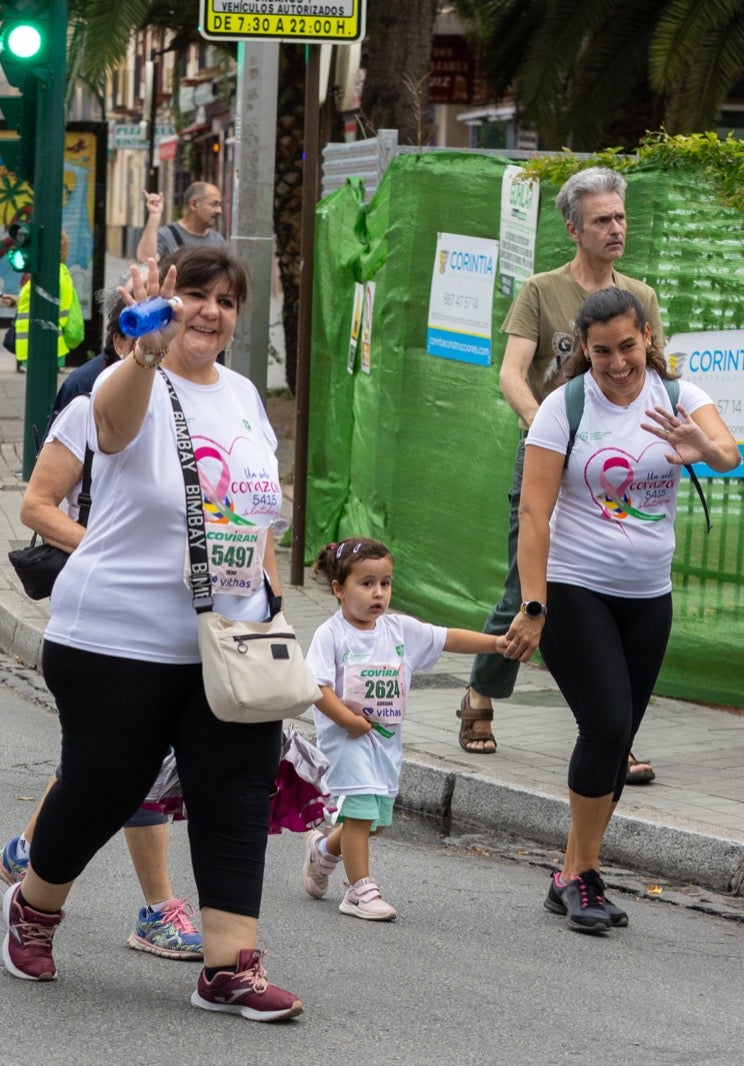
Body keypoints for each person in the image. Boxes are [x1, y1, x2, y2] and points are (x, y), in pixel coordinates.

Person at [1, 247, 302, 1022]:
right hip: (116, 638)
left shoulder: (242, 396)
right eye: (194, 296)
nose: (209, 311)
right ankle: (35, 907)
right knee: (106, 789)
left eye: (225, 301)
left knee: (235, 795)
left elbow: (256, 503)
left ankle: (229, 966)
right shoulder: (127, 380)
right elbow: (111, 425)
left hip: (225, 645)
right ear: (166, 299)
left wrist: (267, 587)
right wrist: (144, 350)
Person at [502, 288, 738, 932]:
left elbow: (729, 452)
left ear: (648, 339)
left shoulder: (680, 398)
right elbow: (534, 512)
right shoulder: (563, 407)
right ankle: (582, 875)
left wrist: (703, 447)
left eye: (628, 346)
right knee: (605, 726)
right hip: (576, 588)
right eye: (601, 350)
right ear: (584, 348)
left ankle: (573, 872)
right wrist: (533, 602)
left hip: (647, 596)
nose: (616, 362)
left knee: (620, 738)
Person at [461, 167, 666, 779]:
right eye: (602, 219)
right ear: (574, 228)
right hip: (552, 452)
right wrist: (547, 425)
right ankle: (481, 691)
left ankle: (612, 733)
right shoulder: (541, 290)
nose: (615, 228)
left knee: (616, 597)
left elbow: (658, 373)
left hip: (621, 465)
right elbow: (511, 373)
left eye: (620, 217)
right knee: (525, 583)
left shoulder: (640, 296)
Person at [0, 378, 204, 962]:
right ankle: (157, 908)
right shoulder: (88, 412)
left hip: (179, 627)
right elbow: (36, 505)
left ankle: (28, 851)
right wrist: (105, 551)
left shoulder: (207, 414)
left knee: (97, 766)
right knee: (129, 766)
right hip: (101, 623)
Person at [301, 538, 506, 921]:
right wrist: (346, 720)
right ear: (339, 589)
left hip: (384, 744)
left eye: (385, 583)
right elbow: (316, 686)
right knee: (360, 811)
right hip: (345, 741)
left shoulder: (398, 631)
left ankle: (325, 851)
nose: (378, 593)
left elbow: (446, 637)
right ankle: (359, 891)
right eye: (366, 584)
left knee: (372, 823)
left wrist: (496, 643)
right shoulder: (332, 634)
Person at [2, 231, 83, 373]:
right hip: (37, 344)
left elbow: (53, 305)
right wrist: (15, 301)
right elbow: (34, 300)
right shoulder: (46, 272)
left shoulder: (54, 274)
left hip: (43, 344)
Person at [135, 184, 225, 262]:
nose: (219, 210)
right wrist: (154, 216)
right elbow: (145, 259)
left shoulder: (218, 241)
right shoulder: (166, 235)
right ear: (194, 204)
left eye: (219, 205)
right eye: (214, 204)